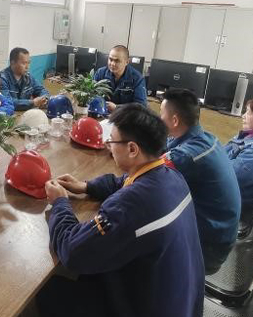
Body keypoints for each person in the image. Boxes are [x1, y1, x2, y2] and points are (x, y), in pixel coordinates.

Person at [39, 103, 204, 317]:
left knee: (51, 291)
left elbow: (72, 252)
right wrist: (86, 186)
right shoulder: (171, 175)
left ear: (132, 149)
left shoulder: (129, 206)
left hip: (149, 307)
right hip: (181, 301)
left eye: (112, 141)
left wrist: (60, 203)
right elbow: (124, 181)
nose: (108, 145)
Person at [160, 88, 241, 274]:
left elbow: (148, 174)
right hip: (217, 236)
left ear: (174, 120)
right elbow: (165, 149)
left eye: (161, 114)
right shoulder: (204, 138)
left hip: (207, 251)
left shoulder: (187, 155)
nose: (158, 119)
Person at [93, 45, 147, 111]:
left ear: (126, 62)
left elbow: (141, 106)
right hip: (102, 113)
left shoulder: (137, 78)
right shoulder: (100, 73)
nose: (112, 64)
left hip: (125, 115)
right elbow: (91, 94)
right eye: (110, 59)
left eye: (117, 61)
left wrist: (117, 107)